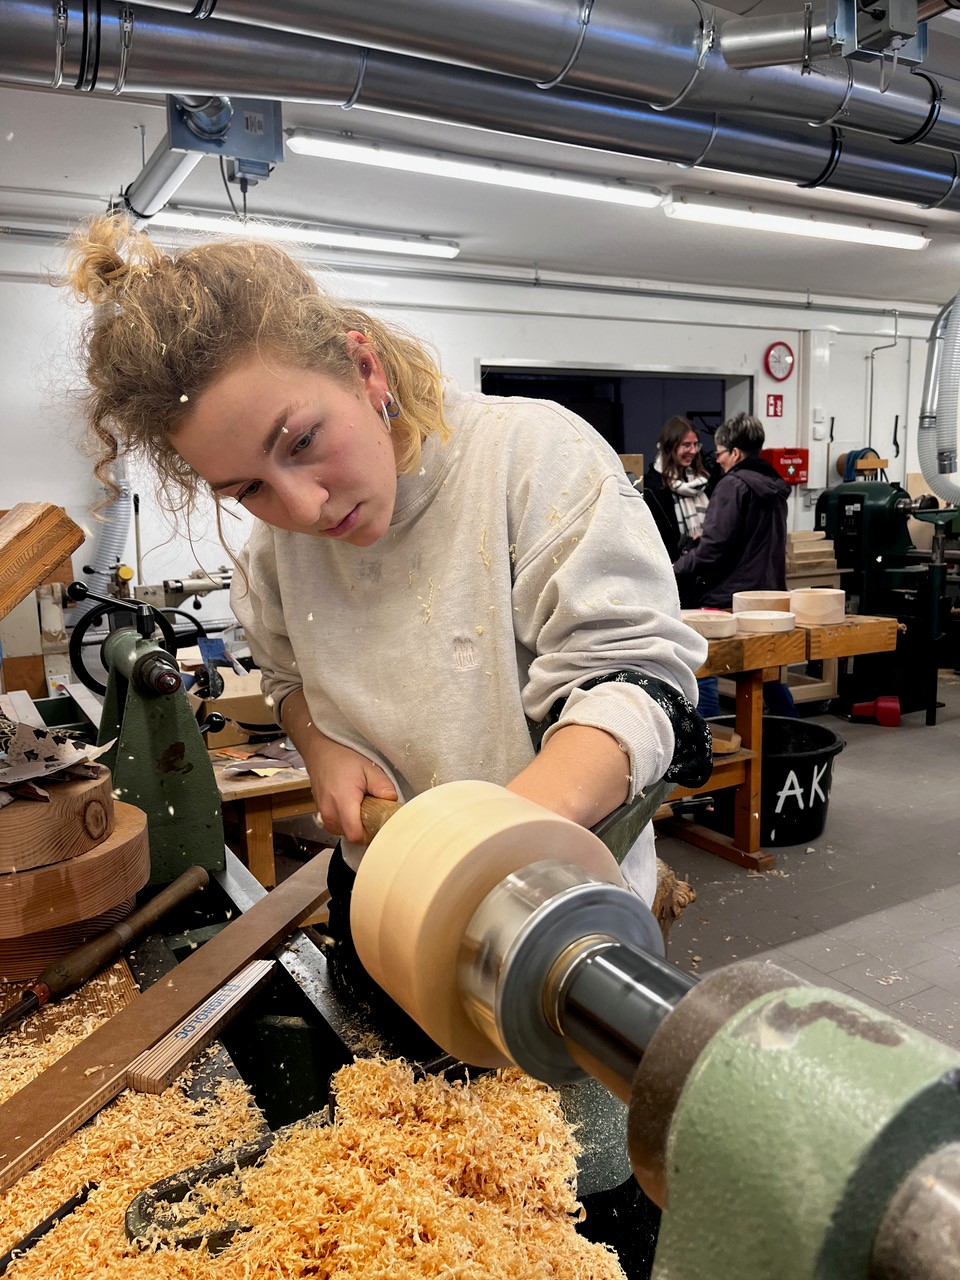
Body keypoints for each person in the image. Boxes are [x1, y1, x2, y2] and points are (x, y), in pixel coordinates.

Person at [63, 214, 712, 1276]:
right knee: (427, 1222)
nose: (304, 504)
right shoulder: (281, 549)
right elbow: (286, 680)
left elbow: (637, 678)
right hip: (388, 928)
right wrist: (319, 748)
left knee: (577, 1221)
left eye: (300, 442)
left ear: (362, 364)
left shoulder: (526, 456)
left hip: (563, 955)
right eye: (248, 489)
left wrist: (492, 842)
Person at [673, 412, 797, 718]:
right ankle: (795, 730)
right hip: (768, 597)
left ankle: (709, 746)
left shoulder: (733, 485)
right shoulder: (774, 485)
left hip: (728, 597)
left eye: (720, 453)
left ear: (736, 453)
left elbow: (714, 549)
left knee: (707, 669)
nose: (719, 460)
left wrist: (674, 569)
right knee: (763, 672)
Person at [642, 416, 710, 566]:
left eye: (695, 444)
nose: (693, 451)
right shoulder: (651, 487)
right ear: (669, 447)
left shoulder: (702, 482)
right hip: (669, 568)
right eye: (686, 445)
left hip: (699, 568)